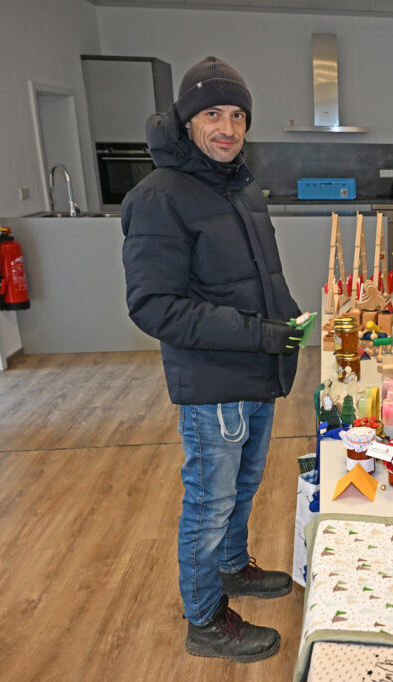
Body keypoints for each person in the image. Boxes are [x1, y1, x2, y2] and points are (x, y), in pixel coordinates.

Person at [121, 56, 304, 663]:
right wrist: (258, 332)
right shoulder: (159, 197)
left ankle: (231, 567)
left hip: (255, 368)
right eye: (211, 114)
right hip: (212, 381)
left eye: (236, 115)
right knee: (209, 501)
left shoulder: (240, 185)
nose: (226, 127)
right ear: (186, 120)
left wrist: (286, 313)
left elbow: (253, 276)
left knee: (242, 488)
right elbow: (154, 306)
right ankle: (204, 619)